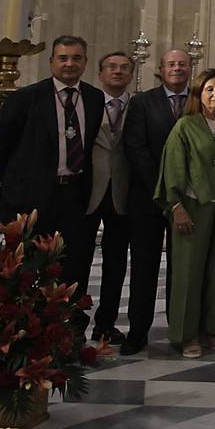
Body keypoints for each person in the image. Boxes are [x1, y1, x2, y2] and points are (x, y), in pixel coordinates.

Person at [0, 35, 106, 330]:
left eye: (76, 58)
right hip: (33, 198)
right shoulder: (27, 97)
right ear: (51, 61)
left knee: (75, 263)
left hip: (75, 194)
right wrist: (20, 182)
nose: (69, 64)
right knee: (30, 266)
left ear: (85, 63)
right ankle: (29, 329)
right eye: (63, 58)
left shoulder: (93, 97)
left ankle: (71, 331)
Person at [154, 68, 215, 358]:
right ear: (199, 93)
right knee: (189, 272)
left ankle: (212, 328)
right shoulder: (185, 126)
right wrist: (176, 207)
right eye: (209, 89)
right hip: (192, 207)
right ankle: (187, 334)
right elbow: (172, 168)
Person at [120, 48, 192, 355]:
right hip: (149, 199)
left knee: (184, 267)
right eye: (171, 64)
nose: (177, 68)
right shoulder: (142, 102)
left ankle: (181, 329)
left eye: (182, 64)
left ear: (191, 68)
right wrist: (165, 194)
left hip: (190, 200)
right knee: (144, 267)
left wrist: (184, 194)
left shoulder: (199, 100)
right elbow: (136, 149)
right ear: (160, 69)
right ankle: (137, 331)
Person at [84, 51, 135, 345]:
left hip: (123, 194)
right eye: (112, 67)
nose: (118, 72)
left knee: (116, 263)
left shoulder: (138, 106)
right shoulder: (86, 104)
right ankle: (74, 323)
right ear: (101, 73)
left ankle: (106, 322)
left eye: (124, 67)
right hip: (88, 193)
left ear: (131, 74)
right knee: (78, 261)